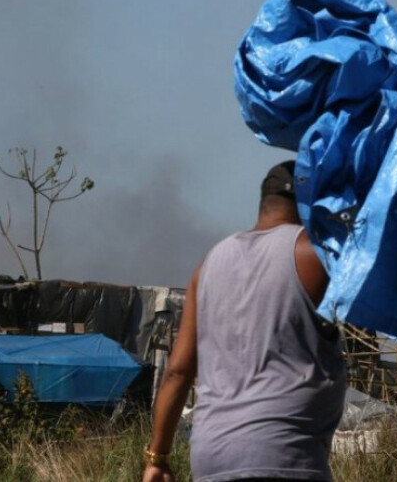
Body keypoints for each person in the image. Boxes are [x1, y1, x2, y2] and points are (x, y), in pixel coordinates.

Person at [142, 161, 347, 482]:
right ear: (311, 204)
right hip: (285, 454)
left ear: (264, 203)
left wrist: (158, 458)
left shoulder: (208, 266)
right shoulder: (314, 255)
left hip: (213, 460)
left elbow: (178, 371)